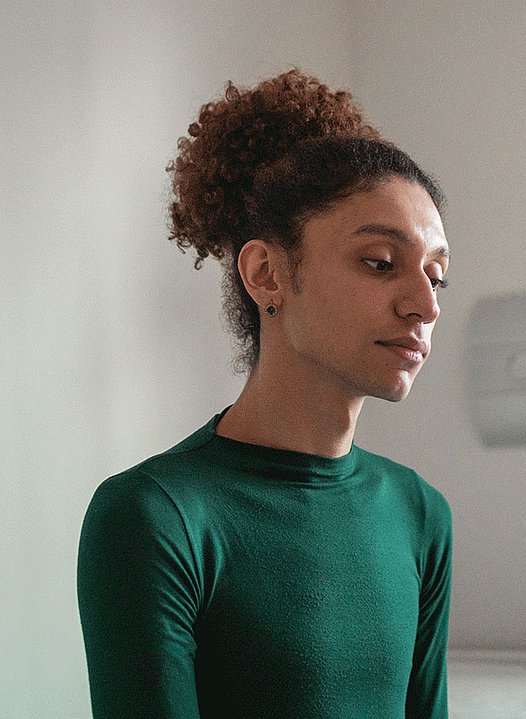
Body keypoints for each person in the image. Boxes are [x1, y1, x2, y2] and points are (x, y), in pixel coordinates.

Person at [77, 70, 453, 719]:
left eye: (437, 275)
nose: (424, 304)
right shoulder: (153, 518)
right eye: (380, 262)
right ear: (267, 272)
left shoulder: (422, 515)